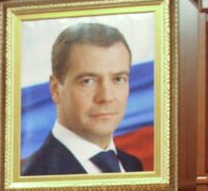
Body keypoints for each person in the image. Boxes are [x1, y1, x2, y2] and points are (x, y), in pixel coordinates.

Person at [22, 22, 143, 176]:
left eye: (118, 79)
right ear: (55, 89)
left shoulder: (132, 165)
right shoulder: (33, 176)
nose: (106, 97)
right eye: (87, 81)